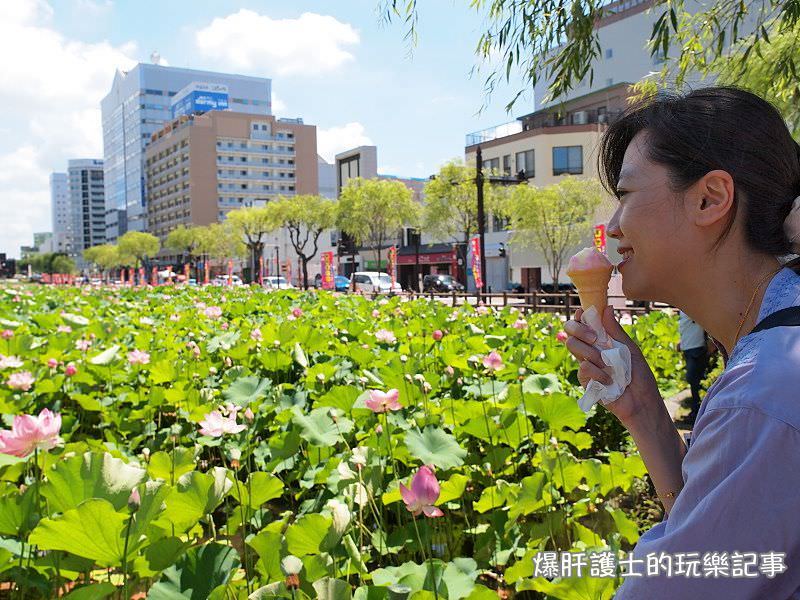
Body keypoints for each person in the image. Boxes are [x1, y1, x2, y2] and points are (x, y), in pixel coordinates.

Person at [562, 87, 800, 598]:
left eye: (625, 196)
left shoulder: (765, 389)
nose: (613, 227)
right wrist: (644, 408)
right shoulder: (771, 351)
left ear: (710, 198)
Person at [677, 310, 710, 423]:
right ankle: (696, 411)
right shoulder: (682, 309)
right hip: (688, 348)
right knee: (694, 381)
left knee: (694, 379)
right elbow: (686, 327)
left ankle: (699, 411)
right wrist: (681, 343)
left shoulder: (691, 305)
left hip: (697, 348)